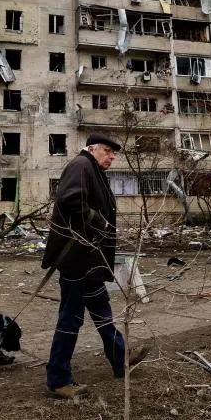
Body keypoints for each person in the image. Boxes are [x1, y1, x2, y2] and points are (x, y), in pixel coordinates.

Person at [41, 133, 149, 399]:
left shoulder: (92, 169)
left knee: (102, 312)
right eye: (108, 152)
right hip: (76, 260)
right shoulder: (81, 165)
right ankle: (58, 380)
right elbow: (69, 200)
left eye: (114, 154)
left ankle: (121, 359)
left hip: (89, 260)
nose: (112, 157)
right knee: (71, 319)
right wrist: (98, 221)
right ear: (92, 149)